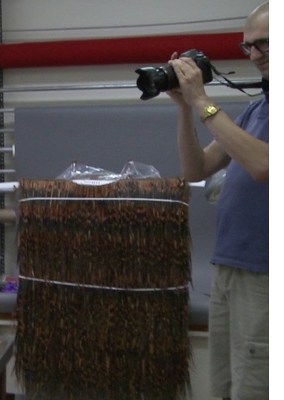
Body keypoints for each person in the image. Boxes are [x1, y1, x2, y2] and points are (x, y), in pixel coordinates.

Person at [166, 3, 268, 399]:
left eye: (264, 44)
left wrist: (202, 102)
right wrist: (183, 107)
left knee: (256, 385)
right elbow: (198, 168)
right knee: (225, 385)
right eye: (248, 47)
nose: (254, 55)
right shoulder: (258, 109)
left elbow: (262, 165)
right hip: (231, 267)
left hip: (264, 275)